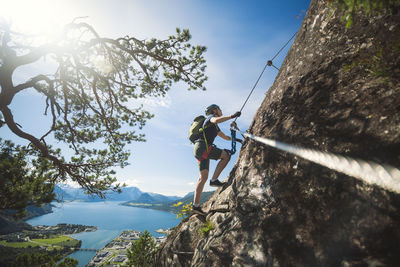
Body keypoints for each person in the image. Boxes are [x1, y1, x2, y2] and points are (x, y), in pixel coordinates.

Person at [192, 104, 241, 214]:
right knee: (226, 156)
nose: (221, 110)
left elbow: (225, 137)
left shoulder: (213, 126)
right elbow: (216, 120)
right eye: (219, 109)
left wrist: (236, 139)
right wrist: (232, 116)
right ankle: (214, 180)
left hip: (199, 149)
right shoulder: (210, 118)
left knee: (202, 177)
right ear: (214, 110)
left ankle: (195, 206)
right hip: (204, 147)